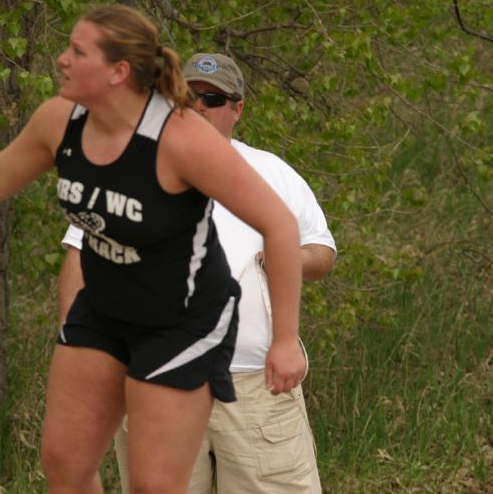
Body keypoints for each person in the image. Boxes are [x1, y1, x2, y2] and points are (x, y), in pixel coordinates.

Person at [0, 4, 305, 494]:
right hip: (105, 309)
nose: (62, 60)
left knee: (153, 485)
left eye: (78, 52)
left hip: (182, 321)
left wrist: (284, 339)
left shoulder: (180, 138)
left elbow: (279, 225)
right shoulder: (59, 121)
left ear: (118, 72)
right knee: (64, 464)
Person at [59, 52, 336, 493]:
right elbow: (78, 258)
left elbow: (322, 252)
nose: (200, 108)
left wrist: (285, 261)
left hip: (256, 380)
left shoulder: (272, 173)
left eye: (213, 99)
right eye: (188, 97)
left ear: (238, 109)